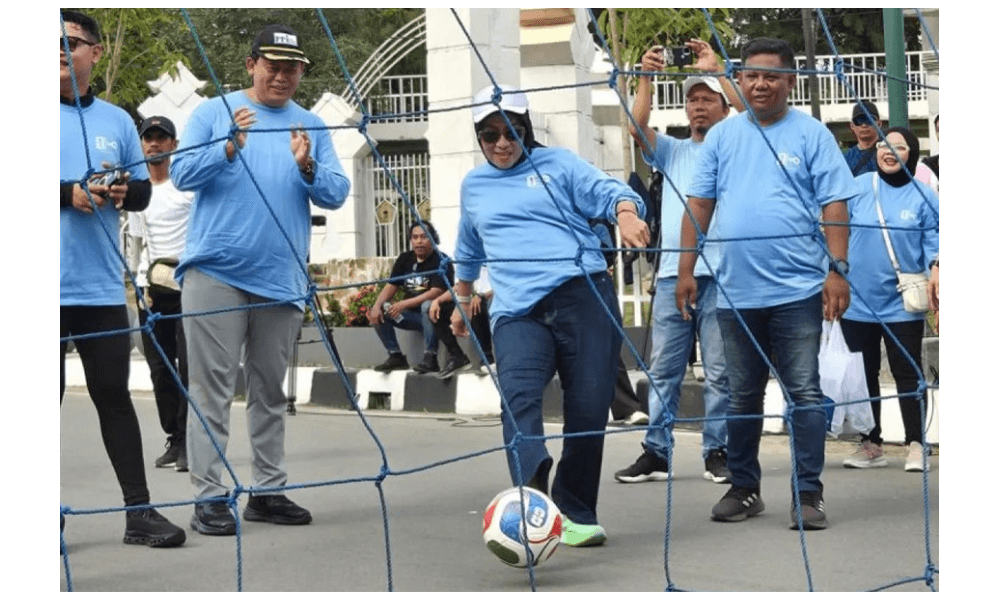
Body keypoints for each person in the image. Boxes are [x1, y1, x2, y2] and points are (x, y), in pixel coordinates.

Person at [451, 84, 650, 547]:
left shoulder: (558, 165)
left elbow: (613, 194)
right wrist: (462, 301)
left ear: (527, 128)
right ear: (478, 136)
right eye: (490, 135)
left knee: (587, 406)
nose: (501, 143)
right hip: (518, 309)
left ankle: (577, 510)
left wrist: (624, 214)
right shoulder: (474, 186)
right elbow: (468, 248)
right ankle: (534, 499)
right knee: (517, 397)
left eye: (512, 132)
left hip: (581, 294)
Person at [171, 24, 351, 536]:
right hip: (216, 272)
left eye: (292, 67)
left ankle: (267, 491)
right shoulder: (215, 113)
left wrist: (308, 164)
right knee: (213, 390)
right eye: (272, 64)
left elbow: (336, 194)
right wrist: (227, 149)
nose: (282, 75)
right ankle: (209, 497)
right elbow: (181, 176)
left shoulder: (312, 124)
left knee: (270, 390)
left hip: (281, 278)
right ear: (250, 64)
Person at [679, 37, 858, 530]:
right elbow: (698, 205)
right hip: (734, 292)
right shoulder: (722, 137)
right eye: (751, 75)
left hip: (798, 291)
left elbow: (836, 205)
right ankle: (744, 489)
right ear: (739, 79)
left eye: (771, 76)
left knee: (803, 392)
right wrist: (685, 270)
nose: (760, 84)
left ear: (790, 82)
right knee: (741, 398)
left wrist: (836, 271)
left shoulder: (813, 134)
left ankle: (809, 494)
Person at [59, 9, 185, 548]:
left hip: (99, 287)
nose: (58, 53)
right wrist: (67, 194)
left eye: (69, 43)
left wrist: (117, 193)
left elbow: (141, 191)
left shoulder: (117, 121)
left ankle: (139, 513)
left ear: (95, 52)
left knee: (114, 396)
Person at [615, 38, 744, 486]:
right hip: (672, 274)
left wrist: (718, 68)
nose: (699, 107)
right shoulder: (672, 151)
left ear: (722, 107)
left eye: (708, 99)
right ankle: (657, 452)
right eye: (693, 100)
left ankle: (717, 450)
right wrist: (645, 75)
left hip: (721, 276)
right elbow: (635, 126)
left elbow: (752, 117)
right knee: (664, 370)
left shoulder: (734, 146)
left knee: (720, 372)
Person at [839, 127, 939, 472]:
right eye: (884, 145)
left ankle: (916, 444)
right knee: (863, 375)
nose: (889, 151)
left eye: (899, 146)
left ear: (910, 153)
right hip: (858, 302)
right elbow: (835, 226)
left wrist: (938, 266)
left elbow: (936, 239)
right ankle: (871, 443)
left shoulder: (925, 195)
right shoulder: (859, 186)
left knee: (906, 374)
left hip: (902, 303)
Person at [127, 116, 193, 473]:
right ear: (142, 145)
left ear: (173, 145)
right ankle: (174, 437)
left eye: (161, 138)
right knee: (159, 368)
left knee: (189, 366)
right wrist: (138, 289)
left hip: (188, 288)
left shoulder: (187, 187)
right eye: (148, 138)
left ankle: (189, 440)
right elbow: (137, 246)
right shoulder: (139, 193)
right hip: (152, 293)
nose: (154, 144)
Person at [370, 221, 451, 374]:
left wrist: (403, 304)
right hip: (413, 316)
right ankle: (395, 355)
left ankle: (431, 357)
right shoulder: (405, 259)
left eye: (424, 237)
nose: (419, 241)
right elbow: (392, 285)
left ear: (433, 239)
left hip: (436, 316)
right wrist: (377, 305)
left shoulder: (441, 260)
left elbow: (436, 292)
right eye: (415, 237)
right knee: (379, 313)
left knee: (427, 305)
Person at [428, 266, 495, 379]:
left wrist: (481, 296)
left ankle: (487, 360)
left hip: (492, 300)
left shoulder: (497, 259)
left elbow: (503, 286)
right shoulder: (468, 264)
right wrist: (437, 301)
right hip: (469, 300)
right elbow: (458, 288)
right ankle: (457, 356)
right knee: (438, 310)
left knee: (476, 305)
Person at [843, 100, 882, 176]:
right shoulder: (845, 159)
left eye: (869, 120)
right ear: (852, 125)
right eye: (859, 121)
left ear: (879, 123)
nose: (864, 125)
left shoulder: (888, 152)